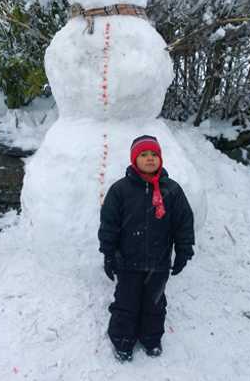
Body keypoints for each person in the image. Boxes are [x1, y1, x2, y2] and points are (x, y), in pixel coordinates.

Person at [98, 135, 195, 362]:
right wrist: (109, 254)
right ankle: (122, 340)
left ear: (160, 159)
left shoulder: (172, 190)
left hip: (159, 263)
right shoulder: (120, 190)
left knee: (155, 303)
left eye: (154, 154)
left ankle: (151, 338)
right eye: (144, 155)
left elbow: (183, 223)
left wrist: (183, 250)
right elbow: (109, 224)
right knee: (126, 302)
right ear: (134, 159)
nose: (150, 159)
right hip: (127, 262)